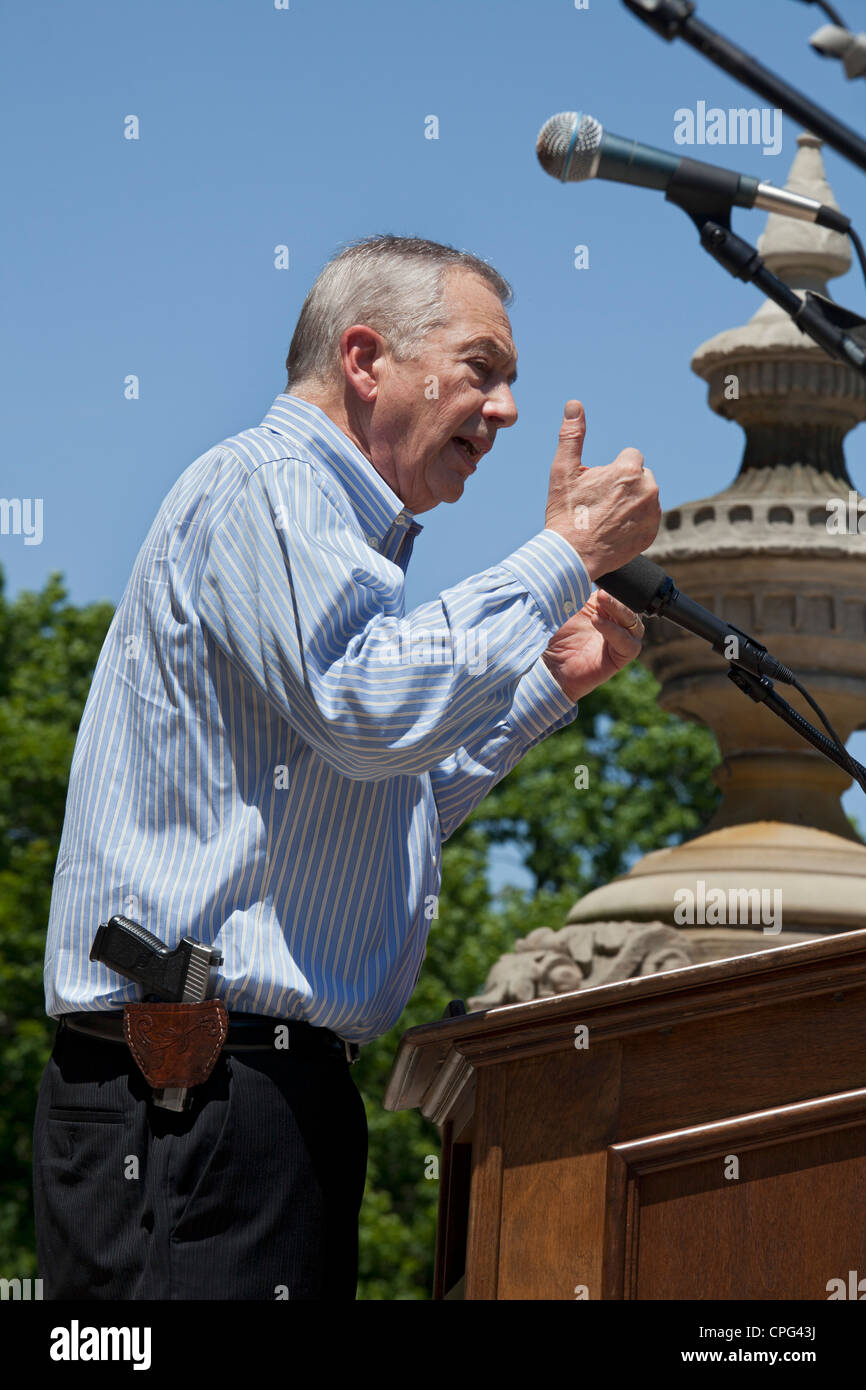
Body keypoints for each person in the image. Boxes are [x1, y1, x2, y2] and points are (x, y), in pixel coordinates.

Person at [32, 234, 659, 1300]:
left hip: (258, 1099)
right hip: (190, 1096)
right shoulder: (268, 485)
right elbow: (366, 708)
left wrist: (543, 686)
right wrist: (560, 556)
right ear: (366, 360)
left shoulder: (339, 535)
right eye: (481, 368)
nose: (504, 410)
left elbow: (381, 791)